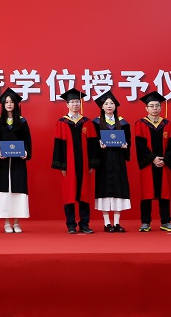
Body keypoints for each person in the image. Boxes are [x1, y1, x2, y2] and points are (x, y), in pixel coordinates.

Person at [51, 88, 98, 234]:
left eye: (77, 101)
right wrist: (61, 165)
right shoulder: (62, 122)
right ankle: (71, 225)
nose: (75, 104)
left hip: (84, 164)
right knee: (69, 194)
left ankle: (84, 224)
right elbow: (58, 144)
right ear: (67, 104)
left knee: (84, 193)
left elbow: (93, 144)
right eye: (72, 102)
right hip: (69, 164)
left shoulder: (87, 122)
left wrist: (92, 163)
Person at [134, 91, 171, 232]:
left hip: (164, 164)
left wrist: (165, 159)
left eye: (157, 105)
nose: (155, 108)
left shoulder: (168, 124)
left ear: (161, 107)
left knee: (165, 193)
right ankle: (145, 222)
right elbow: (140, 145)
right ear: (146, 108)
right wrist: (153, 158)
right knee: (146, 193)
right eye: (151, 106)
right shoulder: (140, 124)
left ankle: (166, 221)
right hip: (148, 164)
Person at [0, 88, 32, 233]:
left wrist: (26, 152)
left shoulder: (22, 121)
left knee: (18, 190)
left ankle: (17, 222)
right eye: (6, 102)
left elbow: (27, 140)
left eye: (11, 102)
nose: (9, 104)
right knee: (4, 191)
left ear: (16, 104)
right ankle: (7, 222)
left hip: (18, 162)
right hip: (2, 162)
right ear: (3, 104)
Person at [91, 91, 131, 233]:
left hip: (118, 161)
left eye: (112, 103)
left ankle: (117, 223)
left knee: (119, 189)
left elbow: (128, 142)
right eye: (106, 103)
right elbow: (92, 143)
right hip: (104, 161)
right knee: (104, 190)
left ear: (115, 106)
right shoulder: (95, 123)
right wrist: (98, 144)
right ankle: (107, 223)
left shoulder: (123, 123)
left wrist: (126, 146)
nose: (109, 106)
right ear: (102, 106)